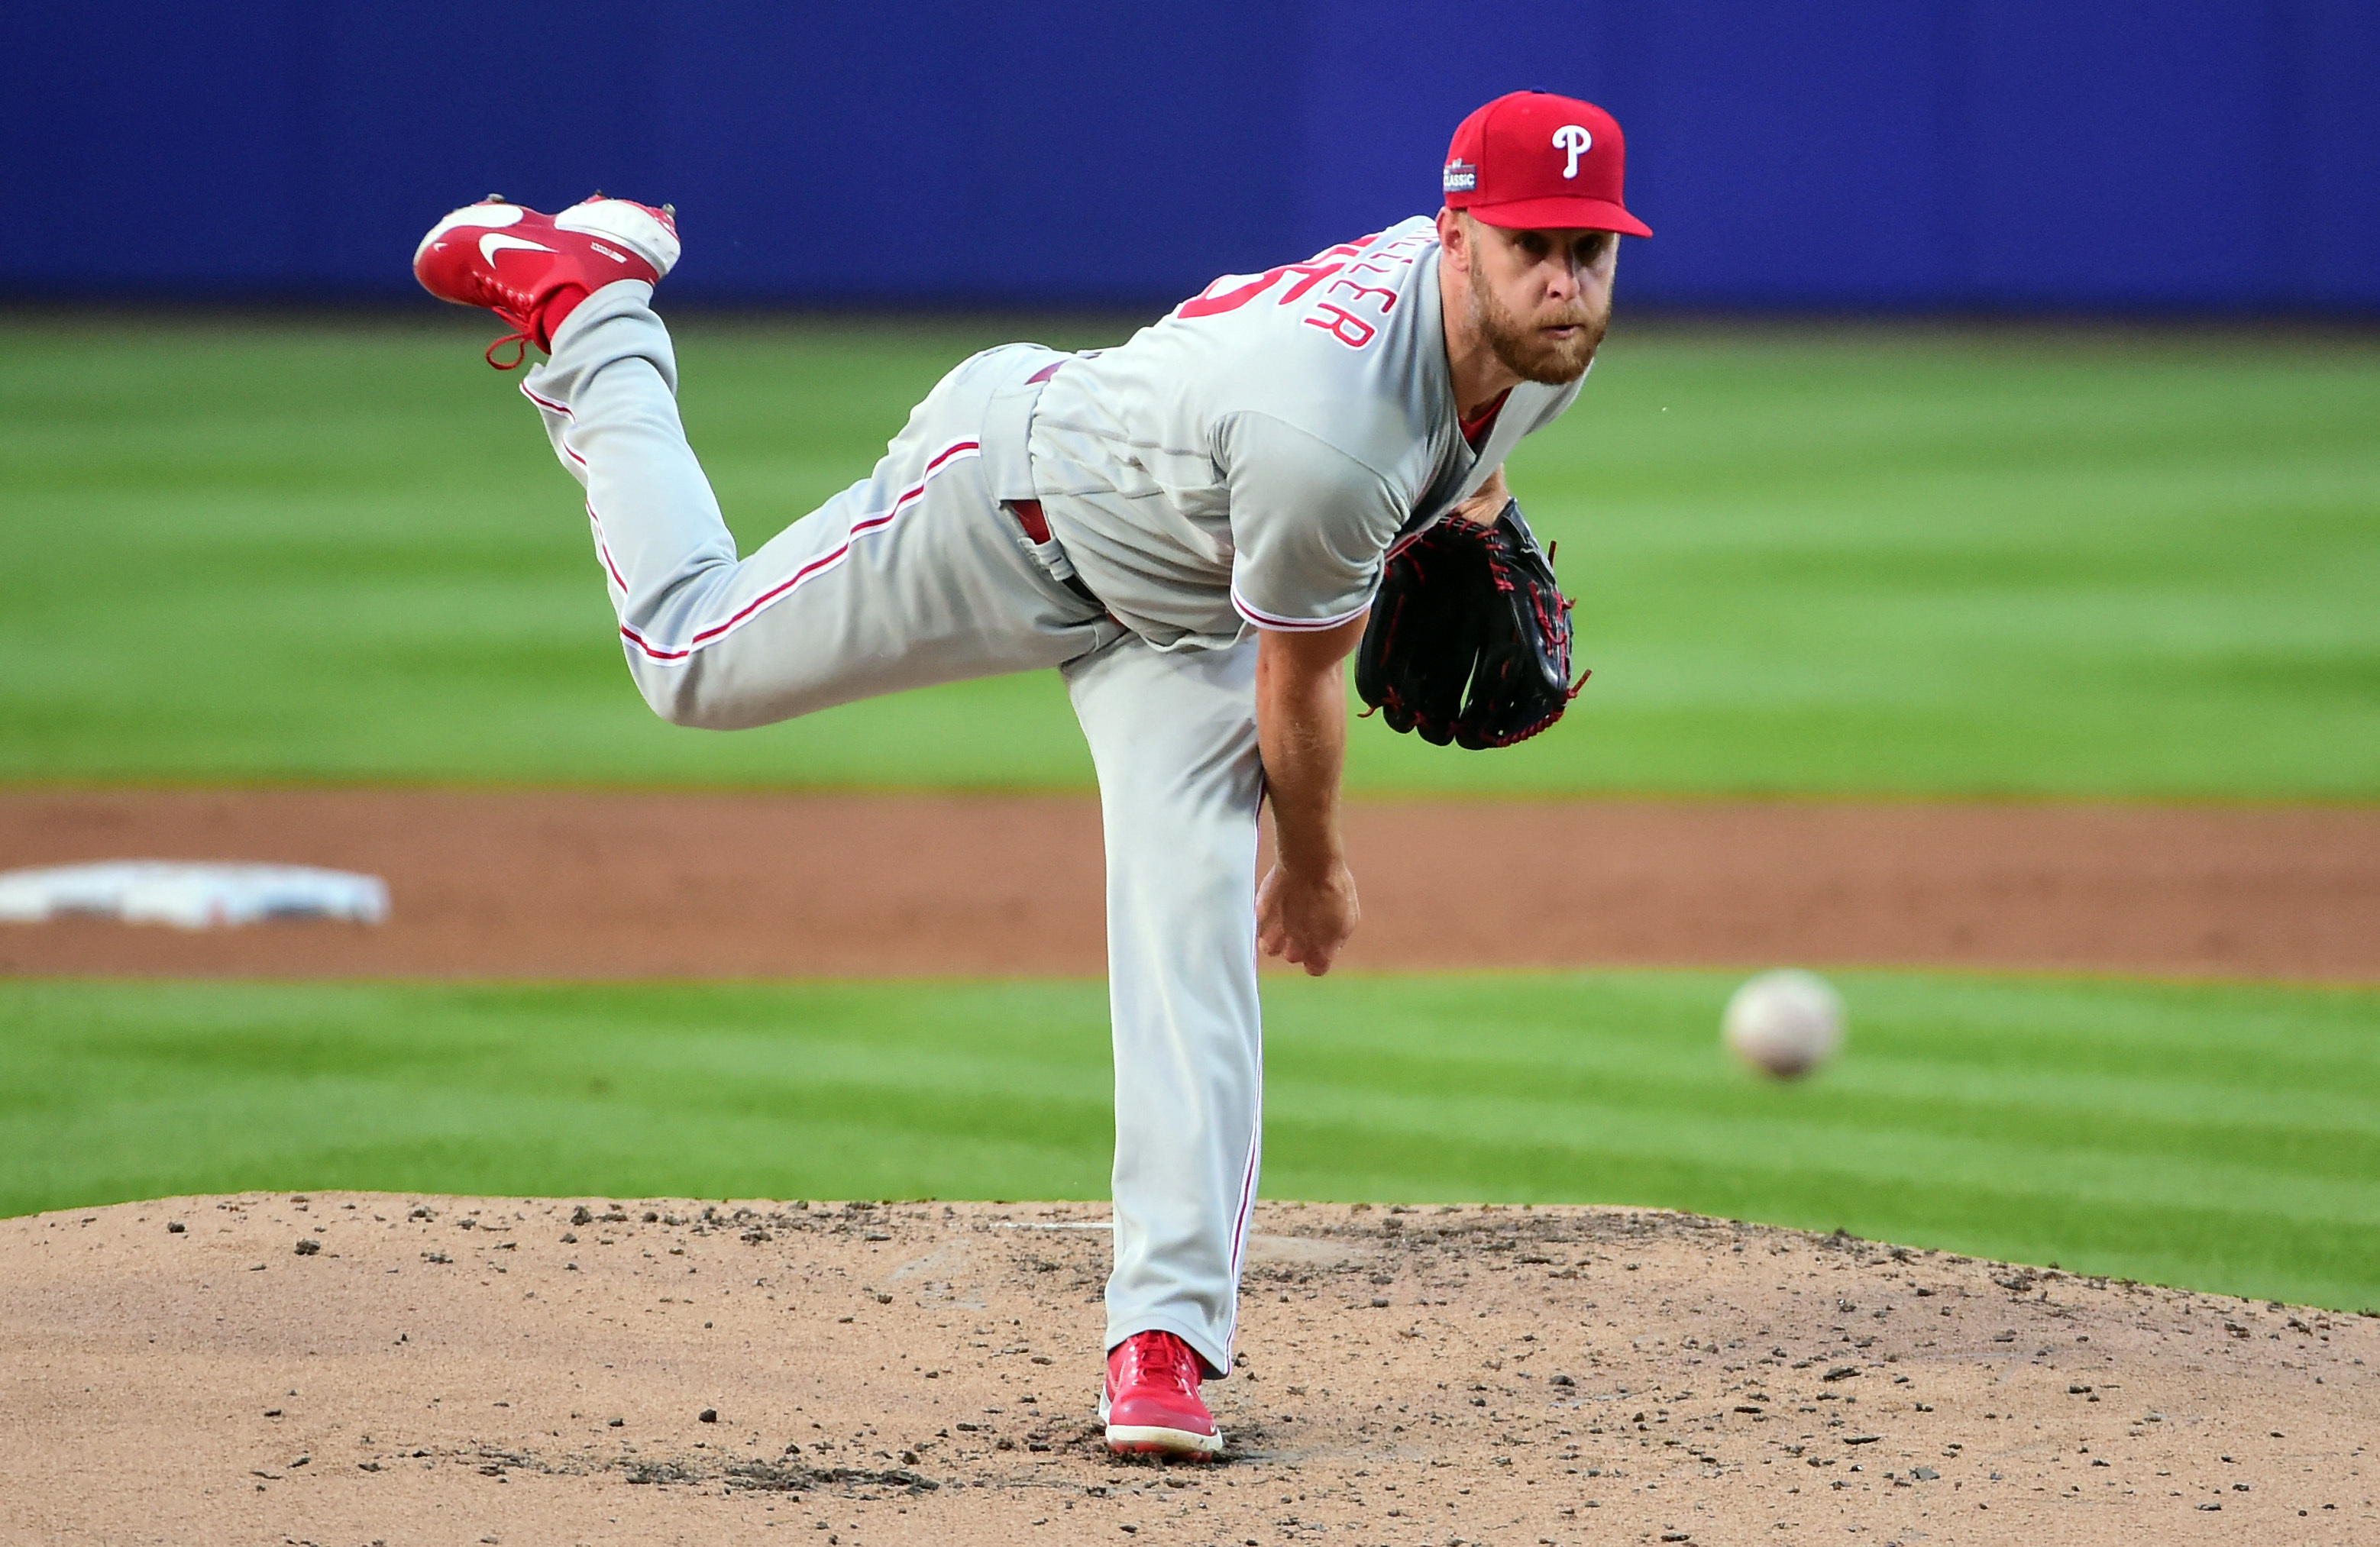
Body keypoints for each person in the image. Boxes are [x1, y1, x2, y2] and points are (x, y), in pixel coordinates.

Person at [413, 87, 1649, 1459]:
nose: (1563, 280)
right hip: (1010, 506)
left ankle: (1161, 1343)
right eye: (1532, 243)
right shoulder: (1332, 432)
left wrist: (1468, 513)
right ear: (1455, 231)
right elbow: (1299, 685)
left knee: (1190, 945)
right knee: (688, 657)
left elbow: (1463, 473)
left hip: (1185, 620)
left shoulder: (1550, 347)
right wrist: (1313, 872)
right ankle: (594, 311)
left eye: (1589, 251)